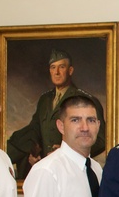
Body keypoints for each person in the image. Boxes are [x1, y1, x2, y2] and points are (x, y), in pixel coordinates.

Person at [7, 49, 107, 180]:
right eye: (53, 67)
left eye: (62, 67)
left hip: (73, 171)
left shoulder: (86, 101)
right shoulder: (45, 99)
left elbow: (101, 139)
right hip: (47, 168)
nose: (57, 72)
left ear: (70, 71)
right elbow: (34, 130)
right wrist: (32, 150)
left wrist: (69, 150)